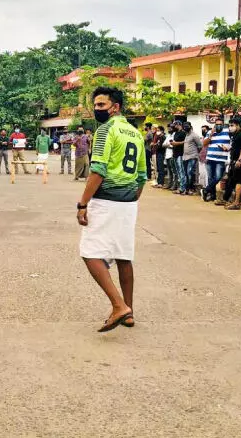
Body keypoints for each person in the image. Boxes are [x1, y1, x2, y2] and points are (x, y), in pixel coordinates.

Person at [77, 87, 146, 332]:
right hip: (128, 202)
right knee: (123, 256)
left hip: (106, 200)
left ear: (115, 107)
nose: (97, 110)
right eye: (96, 105)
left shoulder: (106, 130)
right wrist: (130, 199)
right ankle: (129, 312)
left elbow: (98, 171)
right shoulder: (136, 134)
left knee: (89, 251)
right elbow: (141, 176)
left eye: (101, 105)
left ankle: (119, 306)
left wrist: (83, 203)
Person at [222, 118, 241, 210]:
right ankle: (231, 200)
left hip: (240, 162)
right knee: (232, 180)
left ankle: (237, 202)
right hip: (234, 161)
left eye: (232, 125)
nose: (231, 127)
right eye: (229, 125)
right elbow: (235, 147)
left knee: (239, 181)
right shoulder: (235, 135)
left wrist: (240, 160)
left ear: (238, 125)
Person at [203, 117, 229, 202]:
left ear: (223, 125)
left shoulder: (227, 132)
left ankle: (206, 190)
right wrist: (211, 135)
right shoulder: (210, 132)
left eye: (220, 125)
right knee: (211, 178)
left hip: (221, 159)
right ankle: (212, 195)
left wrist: (228, 147)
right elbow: (204, 143)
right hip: (210, 158)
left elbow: (232, 143)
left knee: (218, 177)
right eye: (216, 124)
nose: (218, 126)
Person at [180, 122, 202, 195]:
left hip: (192, 157)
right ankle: (187, 189)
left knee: (190, 173)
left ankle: (190, 189)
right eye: (184, 126)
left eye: (187, 126)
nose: (185, 127)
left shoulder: (194, 135)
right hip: (185, 157)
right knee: (186, 173)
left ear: (190, 126)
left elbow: (200, 146)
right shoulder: (186, 135)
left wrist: (195, 154)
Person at [170, 122, 186, 194]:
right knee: (178, 172)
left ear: (179, 125)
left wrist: (177, 143)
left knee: (181, 171)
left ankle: (183, 188)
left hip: (181, 154)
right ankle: (180, 187)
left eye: (174, 126)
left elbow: (185, 142)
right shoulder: (175, 133)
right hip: (175, 153)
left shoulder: (183, 133)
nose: (173, 127)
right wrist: (173, 143)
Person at [163, 124, 176, 190]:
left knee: (174, 171)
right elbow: (163, 144)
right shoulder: (168, 136)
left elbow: (173, 145)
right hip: (167, 155)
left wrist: (168, 145)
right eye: (168, 128)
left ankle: (174, 185)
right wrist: (169, 145)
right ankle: (169, 184)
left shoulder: (174, 135)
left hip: (172, 155)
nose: (169, 130)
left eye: (170, 128)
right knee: (169, 171)